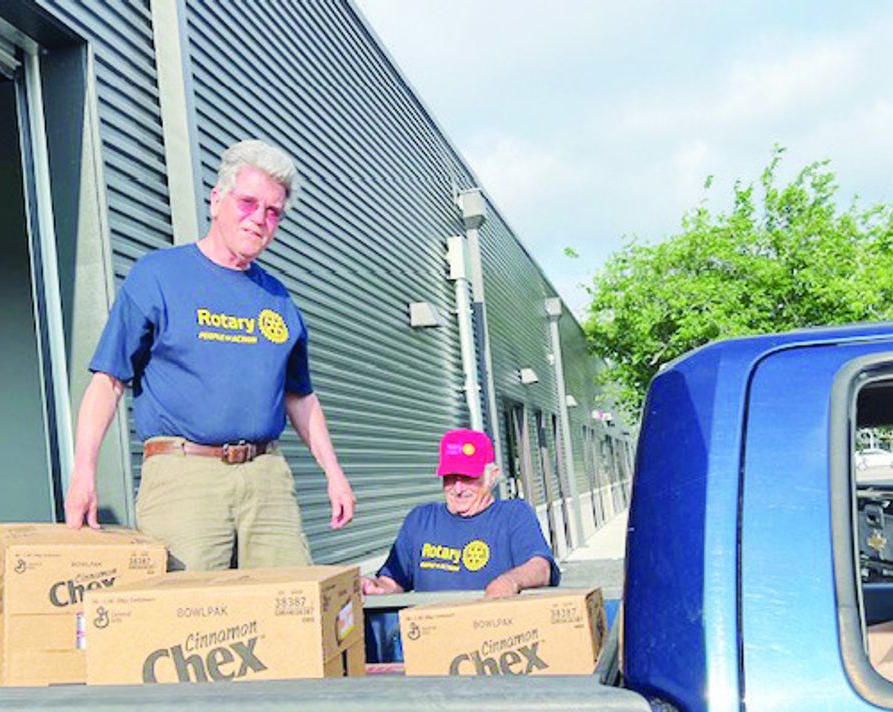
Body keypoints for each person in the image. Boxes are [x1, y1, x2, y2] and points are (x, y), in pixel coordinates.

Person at [65, 139, 355, 570]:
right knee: (188, 618)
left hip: (266, 476)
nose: (259, 219)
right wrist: (84, 473)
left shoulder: (278, 299)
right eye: (248, 203)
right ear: (217, 200)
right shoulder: (158, 276)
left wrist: (334, 472)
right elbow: (108, 381)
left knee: (291, 607)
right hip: (185, 475)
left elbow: (300, 395)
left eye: (272, 211)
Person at [362, 429, 559, 598]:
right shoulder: (420, 519)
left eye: (467, 477)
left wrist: (510, 582)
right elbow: (393, 581)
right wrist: (374, 587)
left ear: (493, 475)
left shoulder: (514, 515)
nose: (457, 488)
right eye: (450, 477)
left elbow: (541, 568)